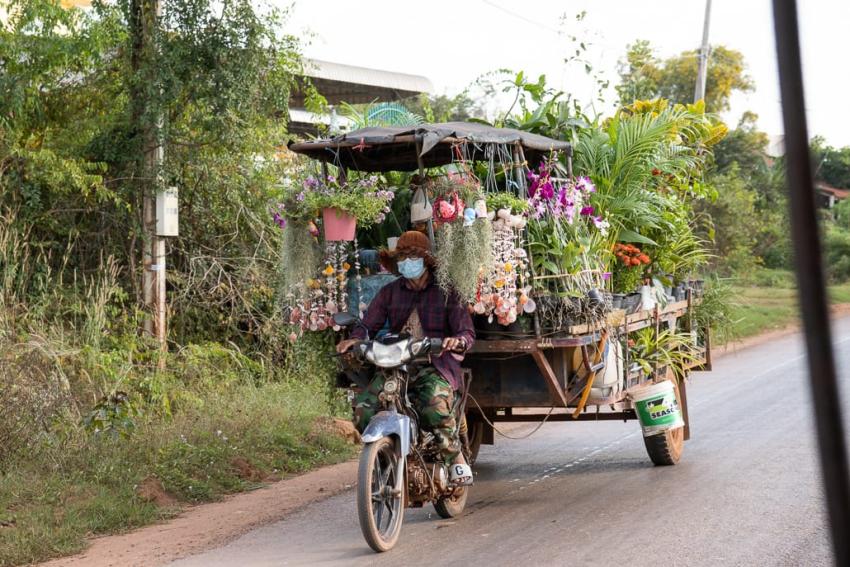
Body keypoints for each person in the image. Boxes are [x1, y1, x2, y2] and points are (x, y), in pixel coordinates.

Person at [336, 230, 475, 486]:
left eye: (412, 256)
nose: (406, 262)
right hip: (395, 364)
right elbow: (369, 325)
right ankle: (381, 458)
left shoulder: (446, 292)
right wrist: (356, 339)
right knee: (364, 410)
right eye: (402, 257)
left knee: (434, 407)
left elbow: (465, 331)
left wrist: (457, 341)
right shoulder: (390, 292)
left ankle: (455, 459)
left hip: (435, 364)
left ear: (426, 260)